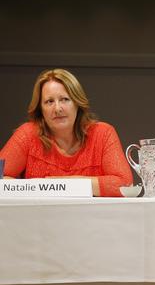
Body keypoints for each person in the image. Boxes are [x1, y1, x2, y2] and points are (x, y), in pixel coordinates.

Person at [0, 69, 133, 196]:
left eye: (64, 99)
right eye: (49, 101)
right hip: (39, 217)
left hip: (91, 218)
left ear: (77, 103)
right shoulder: (28, 134)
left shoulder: (103, 134)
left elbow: (125, 185)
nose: (57, 108)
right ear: (41, 109)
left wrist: (57, 184)